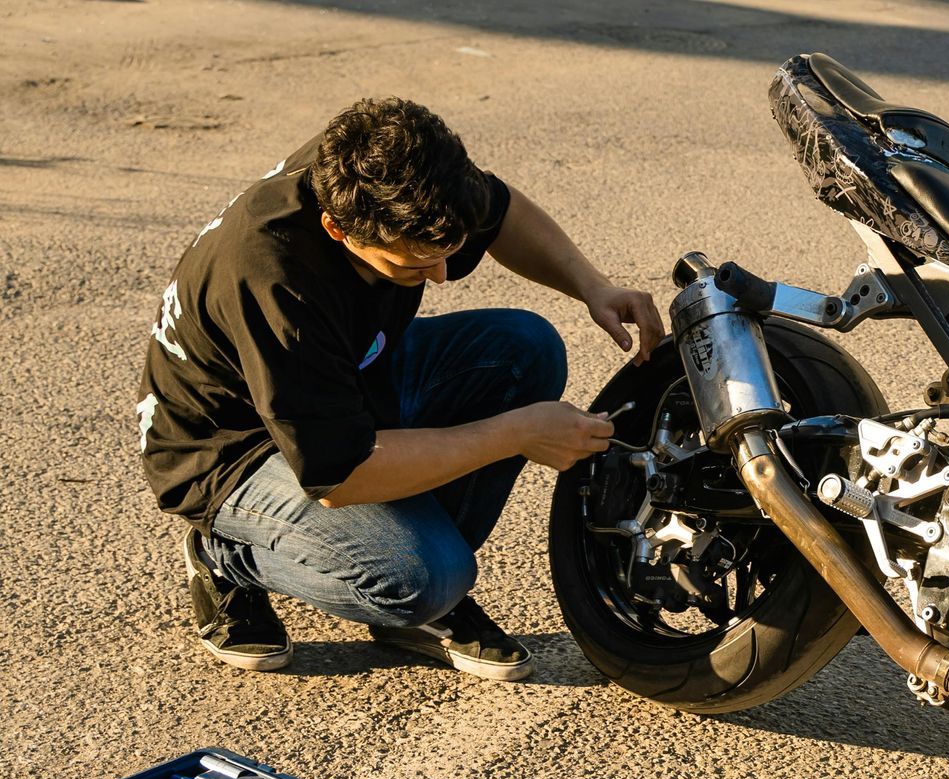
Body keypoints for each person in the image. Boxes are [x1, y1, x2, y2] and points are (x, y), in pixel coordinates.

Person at [137, 97, 664, 680]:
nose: (440, 276)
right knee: (421, 578)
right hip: (233, 447)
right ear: (337, 229)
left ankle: (411, 582)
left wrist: (592, 287)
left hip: (346, 368)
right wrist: (514, 434)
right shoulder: (277, 280)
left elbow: (503, 211)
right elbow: (343, 474)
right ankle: (228, 557)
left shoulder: (393, 166)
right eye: (414, 267)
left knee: (524, 348)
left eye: (450, 252)